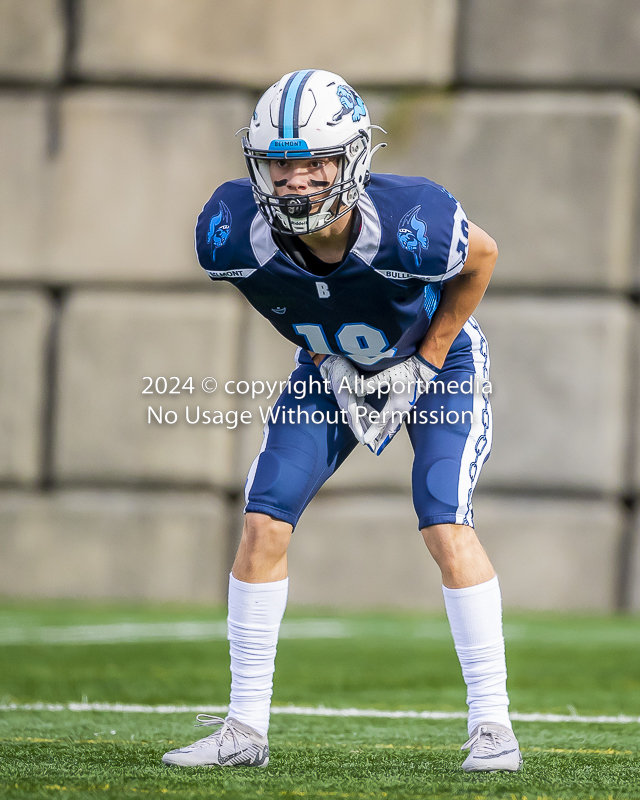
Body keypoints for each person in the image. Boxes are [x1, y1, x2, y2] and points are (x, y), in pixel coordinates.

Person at [162, 69, 521, 773]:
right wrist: (323, 352)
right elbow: (287, 295)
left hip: (434, 365)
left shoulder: (413, 223)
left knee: (444, 519)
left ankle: (493, 725)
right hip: (334, 370)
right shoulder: (229, 232)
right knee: (264, 520)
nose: (295, 181)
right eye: (280, 165)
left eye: (314, 162)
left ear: (352, 157)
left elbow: (482, 256)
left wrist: (427, 358)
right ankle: (244, 728)